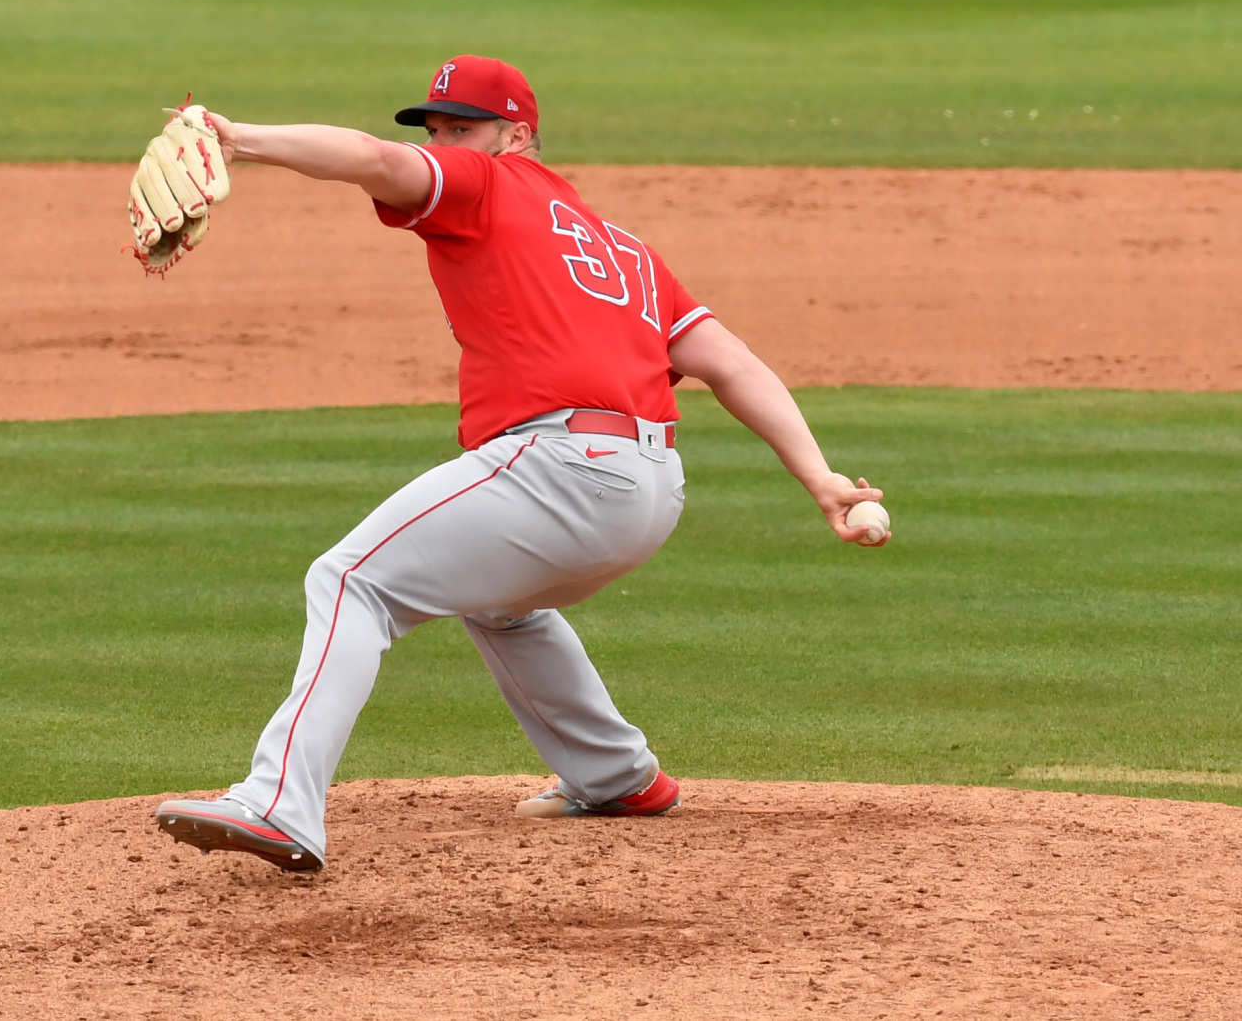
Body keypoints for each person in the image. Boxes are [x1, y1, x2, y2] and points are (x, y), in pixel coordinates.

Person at [155, 55, 888, 873]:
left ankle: (277, 802)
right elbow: (733, 363)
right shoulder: (625, 251)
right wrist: (819, 475)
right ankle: (616, 776)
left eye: (462, 129)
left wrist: (236, 137)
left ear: (519, 135)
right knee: (498, 600)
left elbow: (371, 157)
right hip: (651, 489)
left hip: (563, 468)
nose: (445, 144)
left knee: (352, 579)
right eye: (437, 130)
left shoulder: (485, 184)